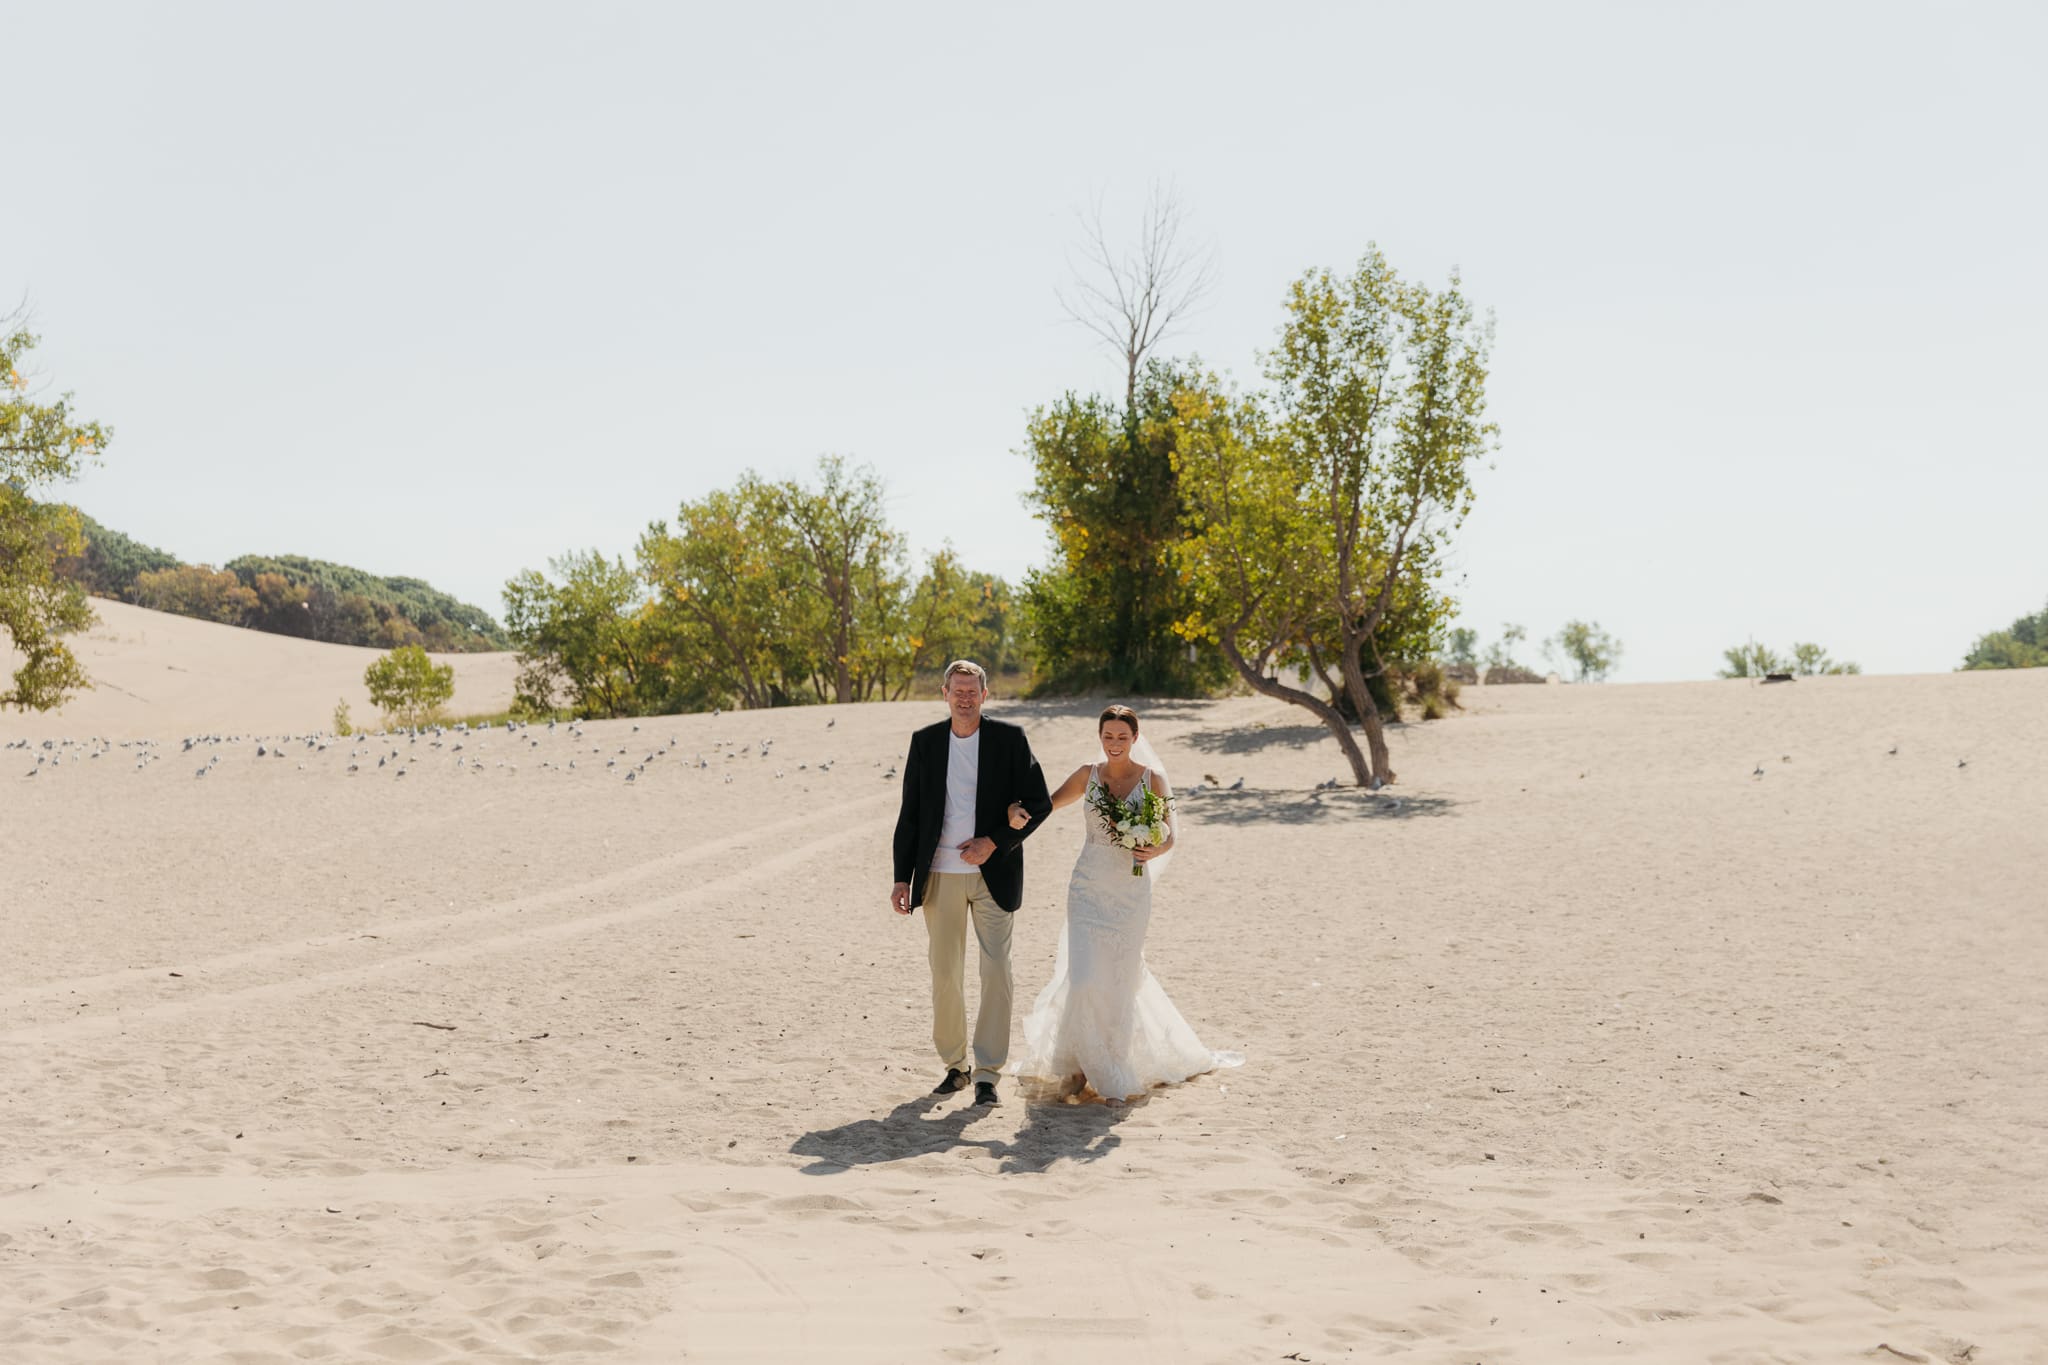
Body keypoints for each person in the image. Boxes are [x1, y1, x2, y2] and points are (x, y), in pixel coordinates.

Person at [1003, 704, 1242, 1103]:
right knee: (1081, 978)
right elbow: (1044, 806)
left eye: (1122, 737)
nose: (1114, 743)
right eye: (1108, 736)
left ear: (1135, 738)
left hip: (1130, 894)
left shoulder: (1153, 780)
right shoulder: (1087, 775)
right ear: (1100, 737)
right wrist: (1013, 810)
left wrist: (1154, 848)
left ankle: (1110, 1062)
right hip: (1086, 888)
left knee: (1118, 980)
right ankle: (1078, 1065)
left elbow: (1170, 835)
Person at [889, 660, 1053, 1107]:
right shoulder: (925, 743)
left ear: (985, 694)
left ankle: (987, 1073)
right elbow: (910, 814)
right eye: (957, 690)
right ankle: (956, 1067)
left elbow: (1039, 804)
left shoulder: (1010, 740)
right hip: (938, 875)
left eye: (972, 691)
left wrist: (994, 842)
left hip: (992, 874)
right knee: (945, 973)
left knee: (996, 969)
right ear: (944, 693)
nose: (964, 698)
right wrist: (902, 877)